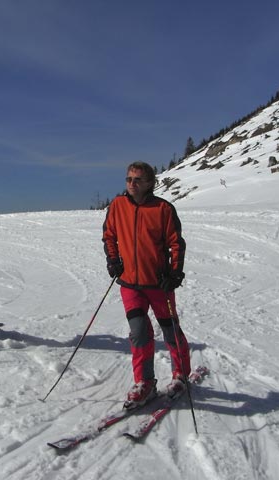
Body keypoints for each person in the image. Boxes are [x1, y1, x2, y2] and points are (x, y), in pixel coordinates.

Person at [102, 161, 190, 408]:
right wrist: (113, 260)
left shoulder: (163, 209)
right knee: (139, 332)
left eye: (137, 179)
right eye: (129, 179)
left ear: (150, 183)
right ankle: (145, 382)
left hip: (158, 284)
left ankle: (181, 375)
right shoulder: (117, 206)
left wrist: (174, 273)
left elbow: (176, 244)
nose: (132, 183)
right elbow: (109, 235)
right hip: (130, 283)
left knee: (170, 331)